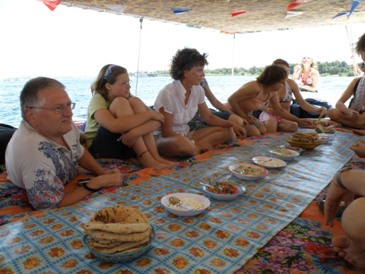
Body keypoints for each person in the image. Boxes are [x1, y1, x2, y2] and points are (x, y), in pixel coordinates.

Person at [5, 77, 126, 210]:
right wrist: (97, 183)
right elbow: (51, 205)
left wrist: (102, 172)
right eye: (58, 108)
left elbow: (78, 150)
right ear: (31, 115)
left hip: (70, 175)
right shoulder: (33, 150)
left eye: (68, 105)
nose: (69, 113)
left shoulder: (61, 125)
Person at [154, 48, 246, 158]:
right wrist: (194, 143)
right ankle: (195, 148)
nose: (203, 74)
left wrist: (231, 124)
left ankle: (195, 148)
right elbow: (166, 132)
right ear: (186, 72)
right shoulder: (167, 93)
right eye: (199, 70)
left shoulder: (198, 90)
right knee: (182, 145)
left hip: (185, 134)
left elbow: (209, 117)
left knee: (229, 132)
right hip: (166, 139)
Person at [83, 64, 174, 169]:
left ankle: (155, 157)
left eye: (129, 82)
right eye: (124, 83)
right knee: (120, 102)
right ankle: (146, 159)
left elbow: (159, 120)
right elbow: (114, 126)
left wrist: (134, 133)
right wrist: (149, 114)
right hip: (100, 150)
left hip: (126, 142)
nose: (129, 86)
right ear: (108, 86)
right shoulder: (98, 99)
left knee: (135, 101)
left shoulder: (130, 99)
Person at [227, 65, 313, 136]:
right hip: (231, 112)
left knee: (263, 130)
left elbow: (279, 110)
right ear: (273, 80)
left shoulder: (272, 92)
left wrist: (299, 120)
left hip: (246, 115)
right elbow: (231, 100)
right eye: (281, 82)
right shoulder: (254, 87)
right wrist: (244, 117)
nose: (283, 85)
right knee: (255, 133)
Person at [259, 59, 327, 133]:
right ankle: (265, 127)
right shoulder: (269, 85)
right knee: (272, 125)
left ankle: (271, 128)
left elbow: (302, 103)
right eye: (283, 71)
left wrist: (316, 110)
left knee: (293, 126)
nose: (286, 74)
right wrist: (299, 120)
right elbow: (276, 109)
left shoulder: (291, 84)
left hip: (285, 117)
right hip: (270, 115)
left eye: (287, 71)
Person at [327, 33, 365, 131]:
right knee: (332, 112)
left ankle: (356, 126)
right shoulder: (357, 81)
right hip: (354, 116)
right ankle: (358, 126)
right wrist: (347, 111)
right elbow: (339, 103)